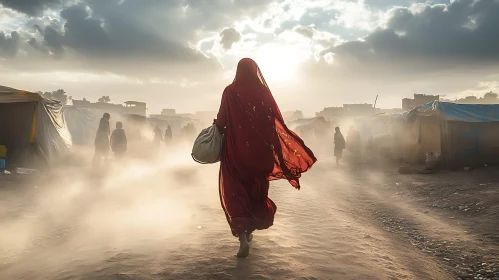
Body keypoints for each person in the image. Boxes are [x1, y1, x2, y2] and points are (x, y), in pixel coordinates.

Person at [214, 58, 317, 257]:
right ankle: (250, 229)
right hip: (261, 154)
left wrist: (216, 128)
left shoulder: (230, 91)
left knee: (234, 191)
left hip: (236, 152)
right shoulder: (263, 93)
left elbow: (222, 120)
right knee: (255, 192)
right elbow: (274, 122)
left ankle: (243, 237)